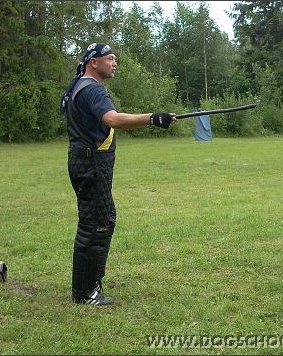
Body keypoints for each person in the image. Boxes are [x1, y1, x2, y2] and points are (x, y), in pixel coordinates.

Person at [60, 42, 176, 305]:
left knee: (104, 219)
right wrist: (153, 118)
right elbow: (113, 120)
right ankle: (86, 292)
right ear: (93, 62)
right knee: (96, 224)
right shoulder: (93, 89)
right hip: (91, 165)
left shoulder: (80, 85)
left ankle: (89, 286)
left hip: (84, 162)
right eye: (110, 58)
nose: (114, 63)